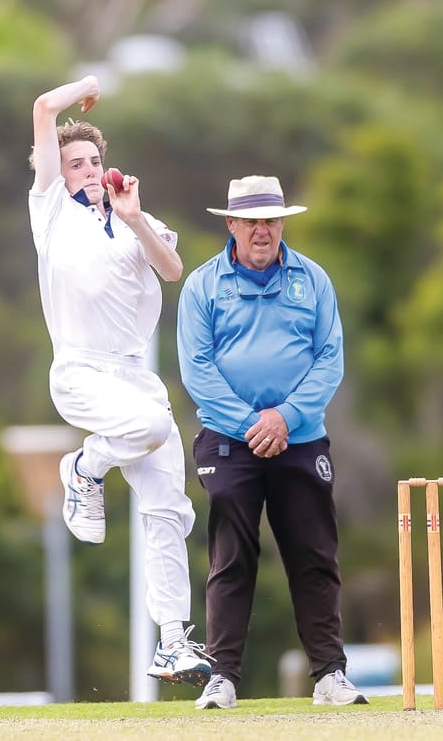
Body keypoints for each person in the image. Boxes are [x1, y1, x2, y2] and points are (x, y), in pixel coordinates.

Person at [28, 75, 210, 687]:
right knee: (153, 427)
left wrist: (134, 219)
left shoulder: (134, 216)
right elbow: (44, 108)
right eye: (73, 161)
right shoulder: (50, 211)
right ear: (55, 168)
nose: (85, 169)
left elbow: (172, 268)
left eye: (94, 161)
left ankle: (172, 641)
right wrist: (89, 86)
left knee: (169, 507)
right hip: (80, 371)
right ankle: (84, 468)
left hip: (136, 375)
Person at [176, 175, 368, 709]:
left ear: (283, 223)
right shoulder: (203, 285)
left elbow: (330, 358)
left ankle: (330, 674)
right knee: (232, 555)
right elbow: (196, 368)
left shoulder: (313, 279)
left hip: (301, 437)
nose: (263, 230)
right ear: (231, 224)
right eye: (252, 220)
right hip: (228, 441)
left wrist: (284, 417)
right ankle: (223, 677)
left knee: (314, 555)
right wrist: (251, 424)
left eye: (272, 220)